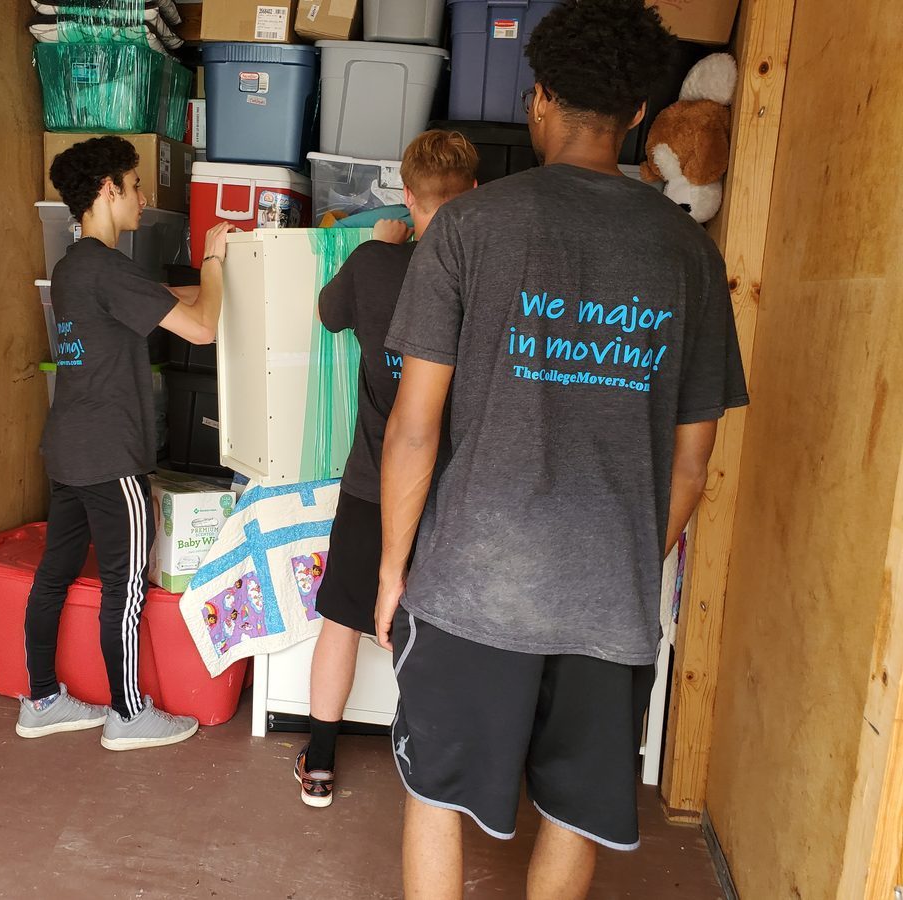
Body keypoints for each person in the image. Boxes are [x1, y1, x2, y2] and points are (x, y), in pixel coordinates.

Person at [375, 1, 749, 896]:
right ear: (637, 118)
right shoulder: (689, 256)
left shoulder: (466, 229)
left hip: (472, 581)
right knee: (578, 809)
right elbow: (692, 465)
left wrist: (395, 569)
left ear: (539, 99)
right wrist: (618, 562)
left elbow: (414, 424)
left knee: (436, 792)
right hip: (608, 603)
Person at [16, 135, 233, 751]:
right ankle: (128, 714)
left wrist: (205, 288)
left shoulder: (74, 266)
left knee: (54, 576)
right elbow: (200, 327)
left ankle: (41, 700)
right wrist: (213, 263)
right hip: (112, 456)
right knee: (126, 585)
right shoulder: (108, 268)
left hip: (67, 449)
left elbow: (163, 306)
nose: (142, 198)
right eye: (135, 186)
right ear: (108, 190)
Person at [294, 131, 479, 808]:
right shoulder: (481, 276)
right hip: (451, 494)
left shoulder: (375, 263)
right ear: (476, 197)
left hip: (375, 484)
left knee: (341, 621)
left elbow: (326, 313)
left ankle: (318, 762)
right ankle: (435, 773)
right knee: (445, 635)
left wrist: (386, 249)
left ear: (406, 194)